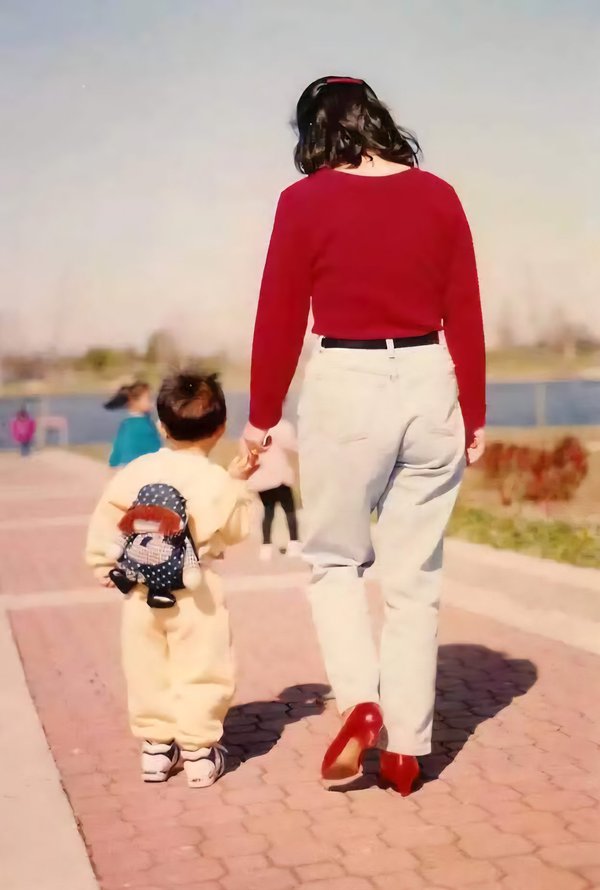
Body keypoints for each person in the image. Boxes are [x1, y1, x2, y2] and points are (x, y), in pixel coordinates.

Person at [242, 76, 486, 796]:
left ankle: (360, 701)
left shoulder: (304, 200)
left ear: (315, 132)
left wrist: (261, 417)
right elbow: (465, 308)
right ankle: (407, 750)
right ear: (377, 119)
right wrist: (474, 412)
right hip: (430, 377)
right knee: (415, 577)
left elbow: (280, 313)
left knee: (335, 561)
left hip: (346, 381)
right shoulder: (439, 195)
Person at [86, 372, 256, 787]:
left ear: (162, 426)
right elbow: (237, 530)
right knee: (202, 668)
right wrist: (237, 483)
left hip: (140, 590)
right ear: (220, 428)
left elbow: (107, 517)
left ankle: (156, 750)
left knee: (146, 668)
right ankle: (198, 754)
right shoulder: (215, 478)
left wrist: (102, 563)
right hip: (197, 592)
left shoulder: (139, 469)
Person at [247, 417, 301, 560]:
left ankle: (266, 547)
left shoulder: (253, 429)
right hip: (279, 477)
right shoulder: (282, 426)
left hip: (263, 479)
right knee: (289, 511)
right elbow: (292, 445)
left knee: (268, 512)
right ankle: (294, 544)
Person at [105, 381, 162, 467]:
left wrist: (113, 462)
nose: (152, 403)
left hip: (128, 466)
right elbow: (154, 447)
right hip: (141, 466)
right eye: (148, 399)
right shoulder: (142, 425)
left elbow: (118, 445)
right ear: (134, 401)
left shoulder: (127, 423)